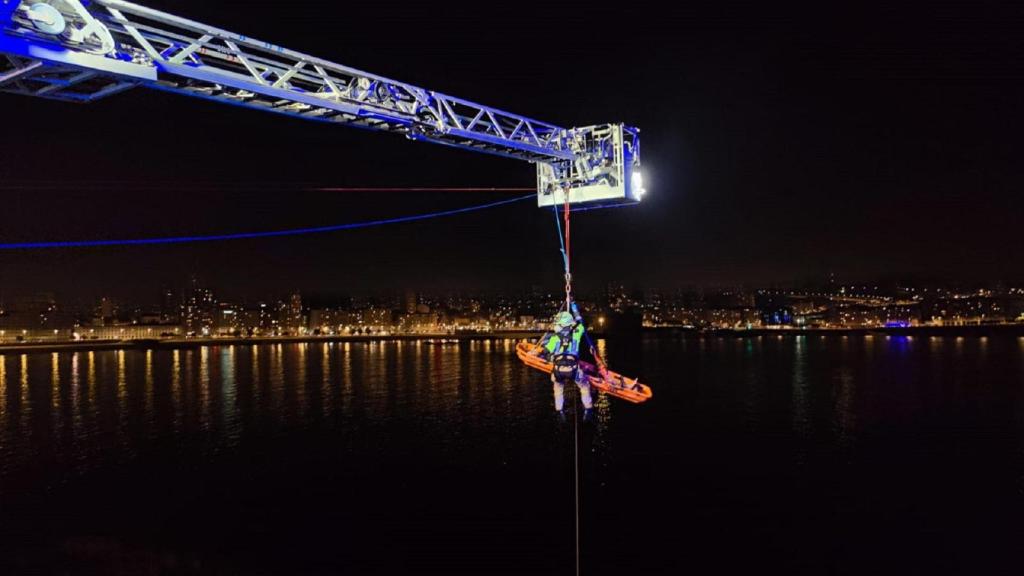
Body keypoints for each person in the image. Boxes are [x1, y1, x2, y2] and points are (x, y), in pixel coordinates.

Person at [540, 303, 593, 418]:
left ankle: (559, 411)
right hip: (574, 370)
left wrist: (545, 355)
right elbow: (581, 323)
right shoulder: (576, 334)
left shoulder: (554, 338)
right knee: (584, 386)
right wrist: (574, 309)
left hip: (558, 371)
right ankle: (588, 409)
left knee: (558, 389)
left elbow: (544, 352)